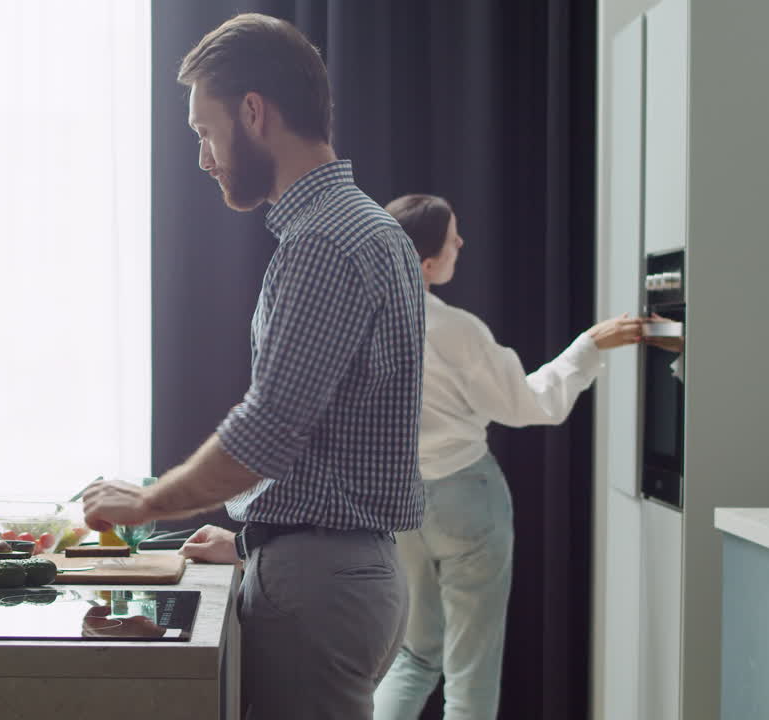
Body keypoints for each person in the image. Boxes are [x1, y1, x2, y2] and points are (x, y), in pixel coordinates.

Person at [81, 13, 426, 719]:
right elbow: (329, 438)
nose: (204, 158)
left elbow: (269, 429)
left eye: (206, 133)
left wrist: (147, 504)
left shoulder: (322, 243)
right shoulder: (368, 227)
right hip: (347, 571)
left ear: (253, 113)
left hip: (321, 585)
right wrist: (251, 540)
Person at [371, 194, 643, 720]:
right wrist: (588, 345)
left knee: (413, 654)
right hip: (467, 498)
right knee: (471, 668)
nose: (461, 245)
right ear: (427, 262)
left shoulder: (358, 325)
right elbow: (527, 403)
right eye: (454, 238)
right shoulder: (455, 328)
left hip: (397, 501)